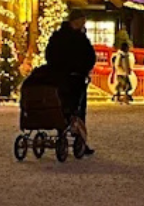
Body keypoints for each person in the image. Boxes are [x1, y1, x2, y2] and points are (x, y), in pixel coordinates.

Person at [46, 13, 97, 155]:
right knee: (77, 109)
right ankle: (79, 138)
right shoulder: (79, 38)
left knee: (62, 107)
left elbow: (49, 54)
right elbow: (89, 56)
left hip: (59, 77)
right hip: (76, 78)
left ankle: (63, 132)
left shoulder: (57, 36)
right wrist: (84, 68)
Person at [109, 38, 135, 105]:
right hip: (121, 73)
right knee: (125, 86)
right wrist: (123, 69)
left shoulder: (125, 55)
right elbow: (118, 64)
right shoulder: (121, 55)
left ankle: (119, 97)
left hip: (124, 73)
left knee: (123, 86)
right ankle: (123, 98)